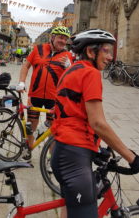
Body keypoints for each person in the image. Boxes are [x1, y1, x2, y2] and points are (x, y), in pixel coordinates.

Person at [51, 29, 139, 218]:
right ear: (91, 52)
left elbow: (72, 114)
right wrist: (131, 157)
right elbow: (98, 123)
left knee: (71, 207)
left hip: (63, 151)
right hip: (73, 158)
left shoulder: (71, 70)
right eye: (106, 51)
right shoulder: (90, 73)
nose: (110, 57)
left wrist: (96, 147)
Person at [17, 26, 73, 148]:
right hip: (35, 95)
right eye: (60, 38)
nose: (63, 41)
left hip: (54, 98)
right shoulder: (38, 49)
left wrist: (69, 68)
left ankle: (50, 158)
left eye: (65, 39)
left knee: (52, 128)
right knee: (31, 124)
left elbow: (72, 79)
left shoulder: (67, 55)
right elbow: (26, 66)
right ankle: (29, 149)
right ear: (52, 37)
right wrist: (22, 82)